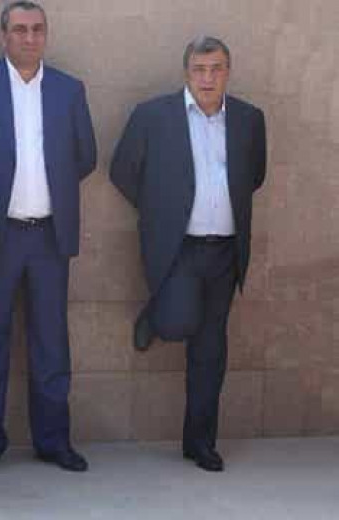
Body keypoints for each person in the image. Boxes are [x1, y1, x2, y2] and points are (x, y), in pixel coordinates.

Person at [0, 0, 97, 476]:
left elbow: (85, 156)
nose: (29, 38)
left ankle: (53, 440)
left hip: (49, 237)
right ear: (3, 36)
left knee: (51, 343)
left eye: (37, 29)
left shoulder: (69, 89)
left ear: (45, 35)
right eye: (19, 29)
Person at [110, 36, 267, 472]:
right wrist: (161, 211)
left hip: (226, 252)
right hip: (179, 249)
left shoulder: (250, 120)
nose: (207, 78)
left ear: (228, 72)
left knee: (210, 350)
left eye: (216, 69)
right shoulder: (153, 116)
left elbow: (255, 175)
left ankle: (200, 443)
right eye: (199, 69)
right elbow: (122, 170)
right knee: (179, 321)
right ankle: (157, 314)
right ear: (186, 72)